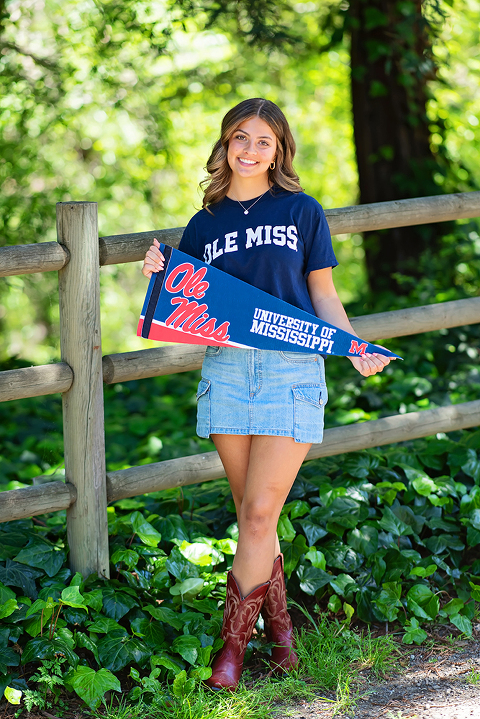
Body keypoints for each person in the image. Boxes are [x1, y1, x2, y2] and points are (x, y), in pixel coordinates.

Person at [142, 98, 392, 690]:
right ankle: (281, 638)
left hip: (291, 369)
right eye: (240, 138)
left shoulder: (302, 211)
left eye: (263, 141)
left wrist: (352, 345)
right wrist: (160, 270)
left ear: (279, 149)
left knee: (257, 515)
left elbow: (323, 294)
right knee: (256, 516)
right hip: (227, 371)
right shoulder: (205, 224)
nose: (250, 150)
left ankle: (230, 654)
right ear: (225, 144)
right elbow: (187, 307)